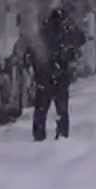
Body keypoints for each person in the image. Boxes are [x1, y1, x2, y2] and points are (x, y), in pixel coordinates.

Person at [32, 7, 86, 141]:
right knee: (61, 108)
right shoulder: (67, 31)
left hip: (44, 75)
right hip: (61, 75)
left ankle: (39, 135)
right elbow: (81, 39)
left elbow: (34, 51)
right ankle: (62, 133)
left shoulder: (44, 31)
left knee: (41, 108)